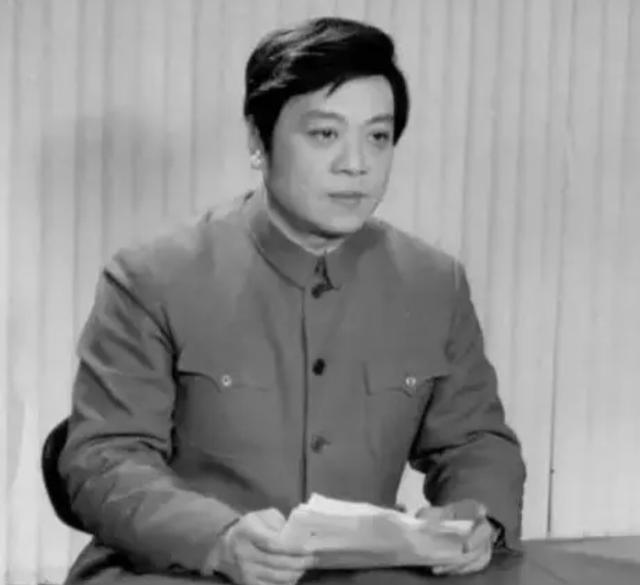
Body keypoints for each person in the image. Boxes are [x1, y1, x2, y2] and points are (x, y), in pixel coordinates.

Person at [56, 16, 526, 585]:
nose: (356, 163)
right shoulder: (151, 278)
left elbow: (475, 441)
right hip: (179, 570)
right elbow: (103, 459)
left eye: (378, 137)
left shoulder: (433, 283)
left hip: (358, 574)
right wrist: (218, 538)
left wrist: (477, 517)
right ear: (258, 140)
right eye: (325, 134)